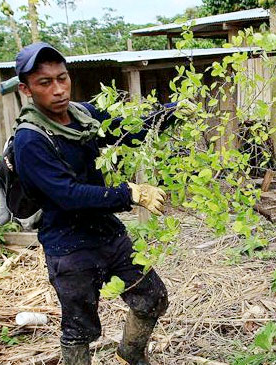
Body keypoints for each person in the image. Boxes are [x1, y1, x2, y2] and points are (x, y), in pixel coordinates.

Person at [14, 42, 176, 365]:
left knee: (153, 297)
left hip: (107, 233)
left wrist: (174, 111)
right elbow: (70, 195)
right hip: (68, 248)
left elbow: (131, 132)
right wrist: (131, 193)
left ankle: (130, 354)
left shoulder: (83, 115)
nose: (58, 89)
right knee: (79, 329)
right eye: (45, 83)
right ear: (26, 89)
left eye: (62, 78)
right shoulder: (30, 140)